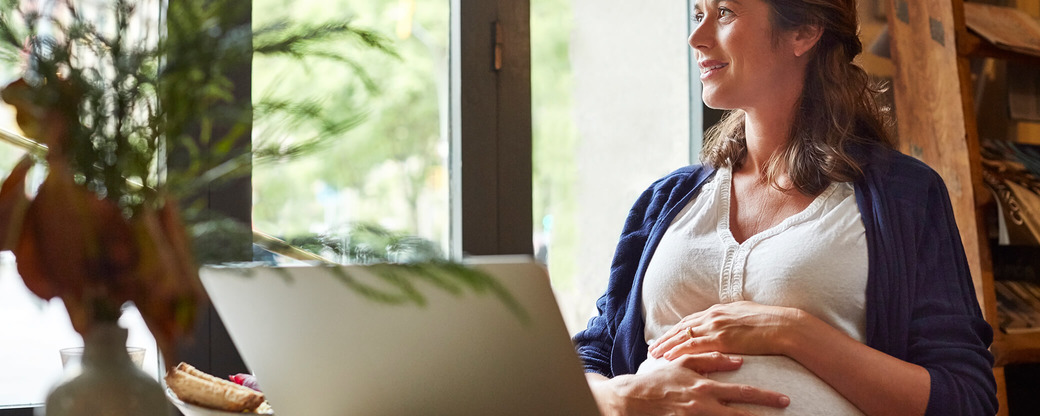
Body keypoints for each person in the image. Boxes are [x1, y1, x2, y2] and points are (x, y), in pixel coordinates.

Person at [571, 0, 998, 415]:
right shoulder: (664, 201)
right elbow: (587, 359)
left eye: (724, 13)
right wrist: (622, 400)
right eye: (698, 14)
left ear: (804, 30)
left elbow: (965, 396)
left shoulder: (905, 196)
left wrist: (792, 332)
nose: (695, 38)